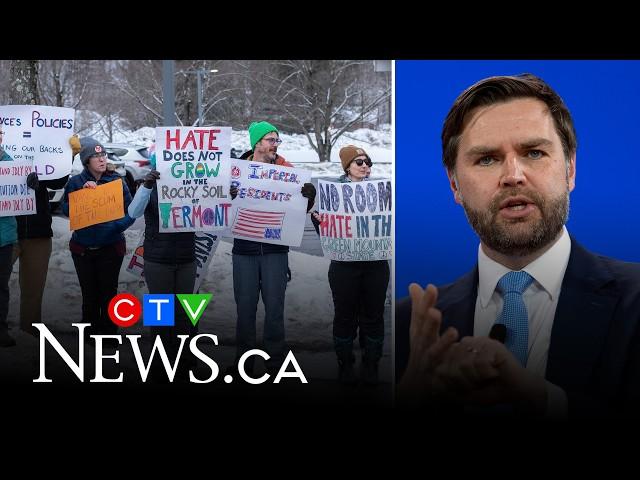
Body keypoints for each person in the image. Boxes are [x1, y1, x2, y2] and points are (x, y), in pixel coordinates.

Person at [396, 74, 640, 418]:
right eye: (487, 159)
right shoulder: (406, 328)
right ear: (454, 184)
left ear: (570, 169)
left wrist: (543, 401)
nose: (513, 174)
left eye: (534, 152)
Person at [228, 121, 316, 375]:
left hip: (275, 251)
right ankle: (243, 363)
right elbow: (218, 206)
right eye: (270, 140)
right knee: (245, 310)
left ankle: (275, 363)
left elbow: (304, 209)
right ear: (256, 143)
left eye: (277, 140)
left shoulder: (287, 171)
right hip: (244, 249)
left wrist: (308, 196)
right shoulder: (237, 171)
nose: (275, 145)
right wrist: (228, 195)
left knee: (275, 309)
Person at [311, 145, 389, 386]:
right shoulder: (332, 194)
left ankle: (371, 363)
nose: (365, 166)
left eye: (367, 162)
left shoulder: (381, 192)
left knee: (374, 316)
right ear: (347, 167)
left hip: (375, 265)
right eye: (359, 162)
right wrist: (319, 221)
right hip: (344, 266)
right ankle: (345, 363)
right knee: (345, 316)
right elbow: (327, 233)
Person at [127, 154, 197, 382]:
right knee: (160, 315)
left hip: (186, 258)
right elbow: (133, 212)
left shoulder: (193, 184)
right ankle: (159, 364)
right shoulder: (148, 185)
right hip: (158, 260)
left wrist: (229, 197)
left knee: (185, 314)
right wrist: (147, 186)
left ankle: (183, 362)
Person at [61, 137, 134, 337]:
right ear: (86, 161)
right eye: (95, 156)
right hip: (82, 249)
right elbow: (65, 209)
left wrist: (115, 227)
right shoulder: (76, 182)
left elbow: (131, 212)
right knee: (89, 293)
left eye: (103, 155)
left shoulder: (117, 181)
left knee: (108, 293)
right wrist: (82, 198)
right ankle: (89, 333)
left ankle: (109, 334)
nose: (101, 159)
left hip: (111, 247)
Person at [11, 135, 75, 337]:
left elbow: (59, 180)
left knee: (33, 288)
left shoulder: (41, 158)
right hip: (7, 233)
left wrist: (69, 155)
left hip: (38, 233)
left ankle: (29, 331)